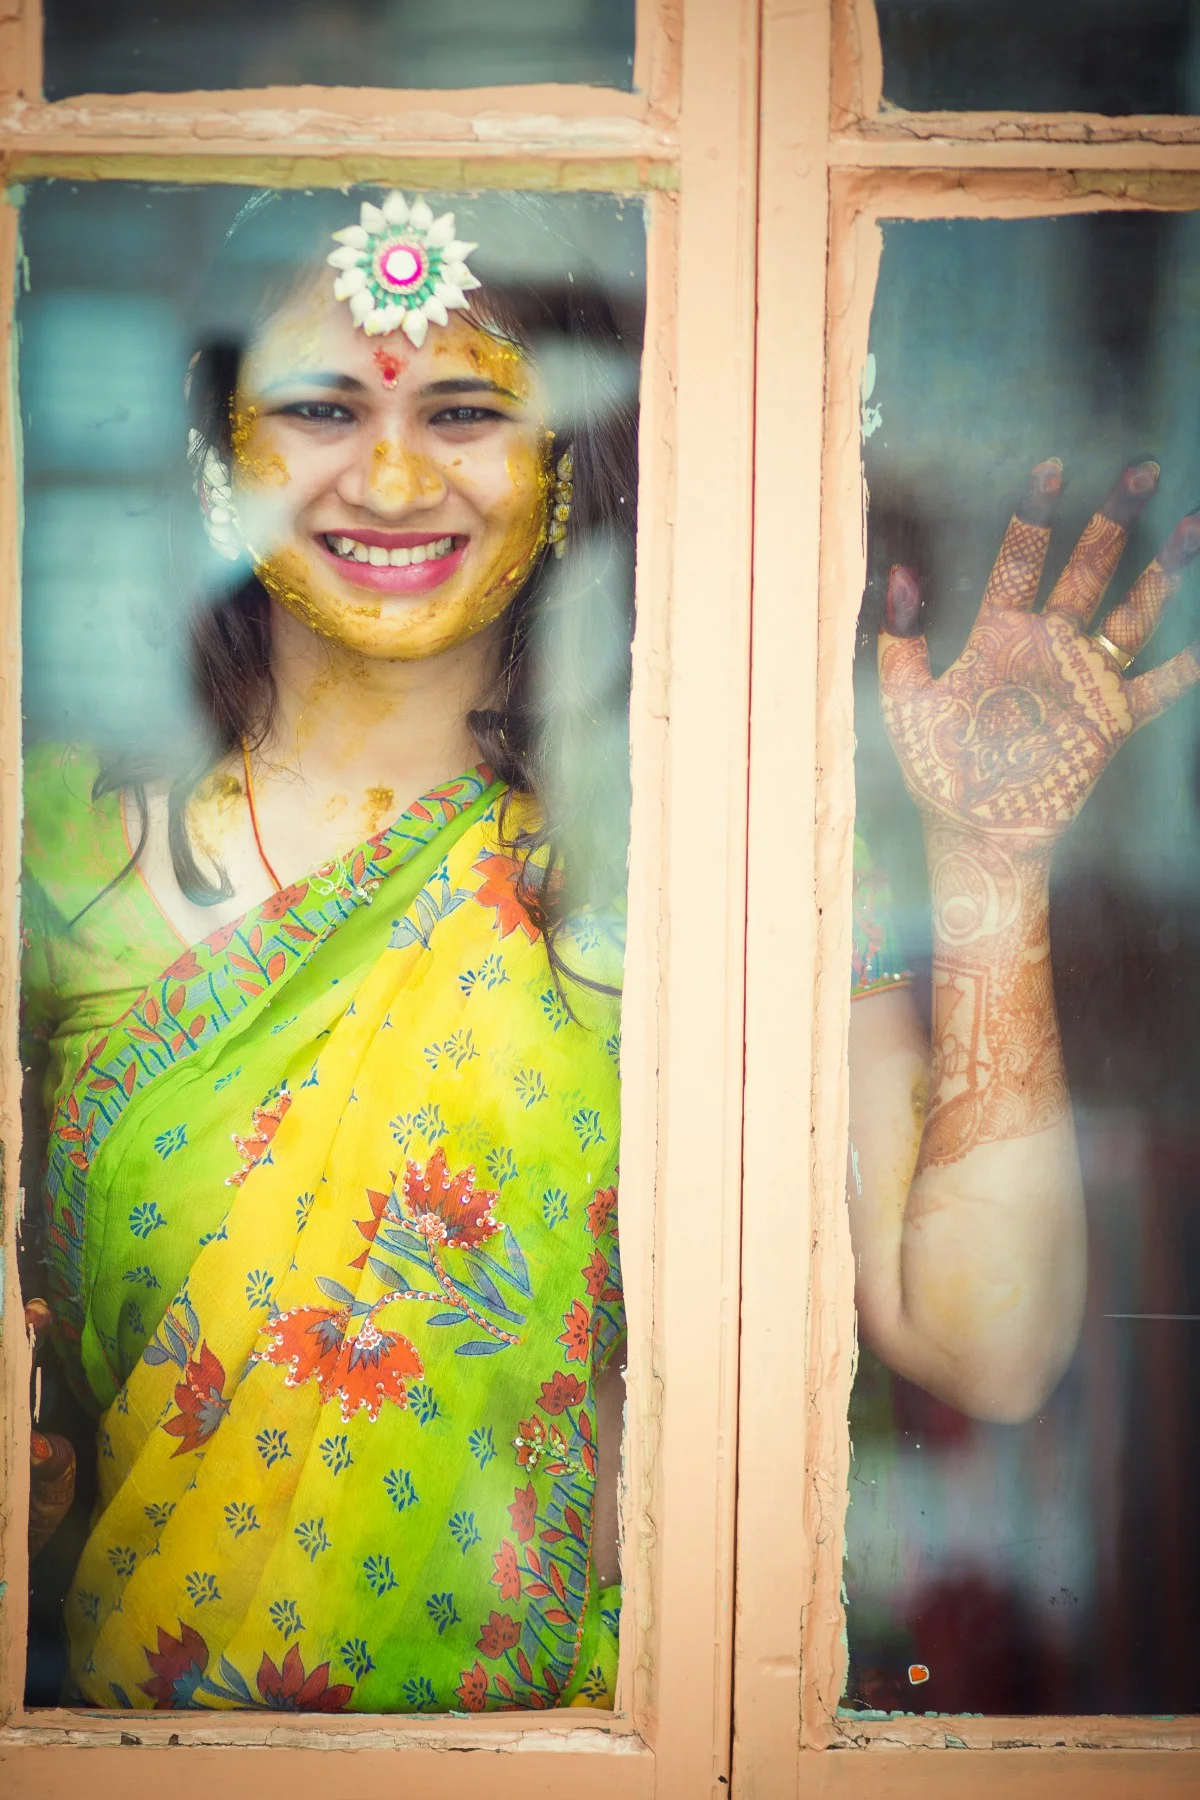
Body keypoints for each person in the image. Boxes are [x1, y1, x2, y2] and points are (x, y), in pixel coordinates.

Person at [23, 186, 1200, 1713]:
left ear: (562, 475)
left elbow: (988, 1344)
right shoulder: (56, 864)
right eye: (319, 408)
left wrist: (990, 860)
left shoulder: (714, 862)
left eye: (463, 412)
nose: (390, 473)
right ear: (214, 461)